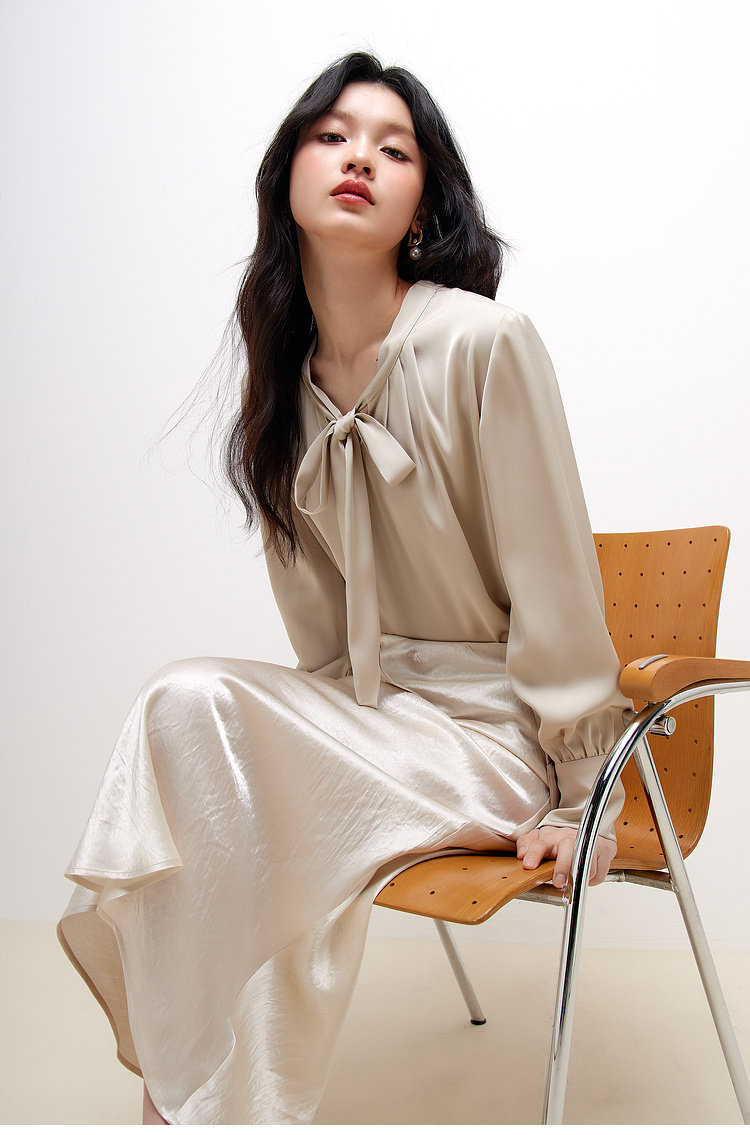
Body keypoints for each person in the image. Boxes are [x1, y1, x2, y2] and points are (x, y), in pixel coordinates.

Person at [58, 52, 630, 1125]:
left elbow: (556, 585)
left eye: (393, 148)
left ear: (424, 203)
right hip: (374, 727)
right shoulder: (284, 383)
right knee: (187, 704)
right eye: (332, 136)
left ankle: (191, 1106)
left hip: (490, 739)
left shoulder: (485, 343)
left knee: (234, 775)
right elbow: (324, 648)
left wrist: (581, 798)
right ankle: (198, 1093)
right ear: (288, 176)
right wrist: (312, 735)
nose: (359, 156)